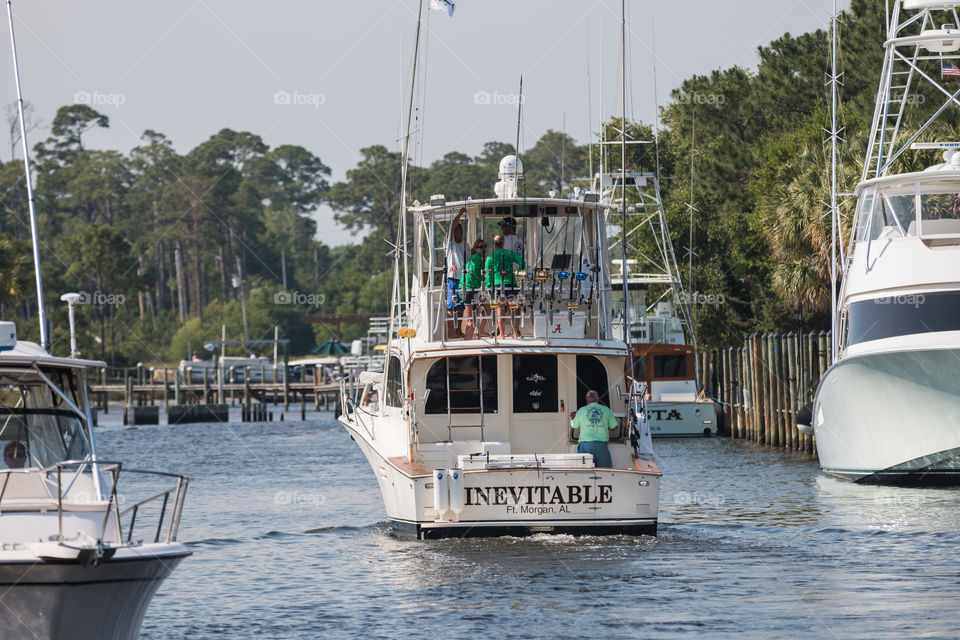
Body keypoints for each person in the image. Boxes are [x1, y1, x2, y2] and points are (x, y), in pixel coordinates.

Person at [485, 235, 524, 338]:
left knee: (500, 309)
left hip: (497, 285)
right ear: (503, 243)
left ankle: (501, 334)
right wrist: (517, 271)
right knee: (514, 308)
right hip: (511, 283)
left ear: (494, 244)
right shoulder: (510, 254)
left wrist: (489, 286)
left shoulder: (490, 257)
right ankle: (515, 333)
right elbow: (522, 262)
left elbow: (488, 274)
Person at [570, 390, 617, 468]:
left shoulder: (581, 410)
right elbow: (615, 427)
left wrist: (572, 418)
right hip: (601, 446)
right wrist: (605, 427)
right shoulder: (606, 409)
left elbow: (573, 426)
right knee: (605, 473)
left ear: (587, 400)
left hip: (586, 446)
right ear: (598, 399)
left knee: (585, 473)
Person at [445, 208, 467, 339]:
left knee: (461, 307)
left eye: (460, 231)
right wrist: (459, 215)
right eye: (456, 231)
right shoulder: (450, 244)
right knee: (451, 306)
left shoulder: (466, 246)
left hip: (463, 279)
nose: (458, 234)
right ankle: (451, 331)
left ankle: (458, 329)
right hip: (452, 278)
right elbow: (451, 229)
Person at [462, 238, 488, 339]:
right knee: (471, 318)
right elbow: (471, 274)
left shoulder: (474, 258)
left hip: (471, 289)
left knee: (483, 310)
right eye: (480, 247)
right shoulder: (476, 258)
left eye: (484, 247)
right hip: (469, 289)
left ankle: (479, 332)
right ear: (475, 248)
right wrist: (479, 284)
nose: (483, 249)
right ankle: (467, 340)